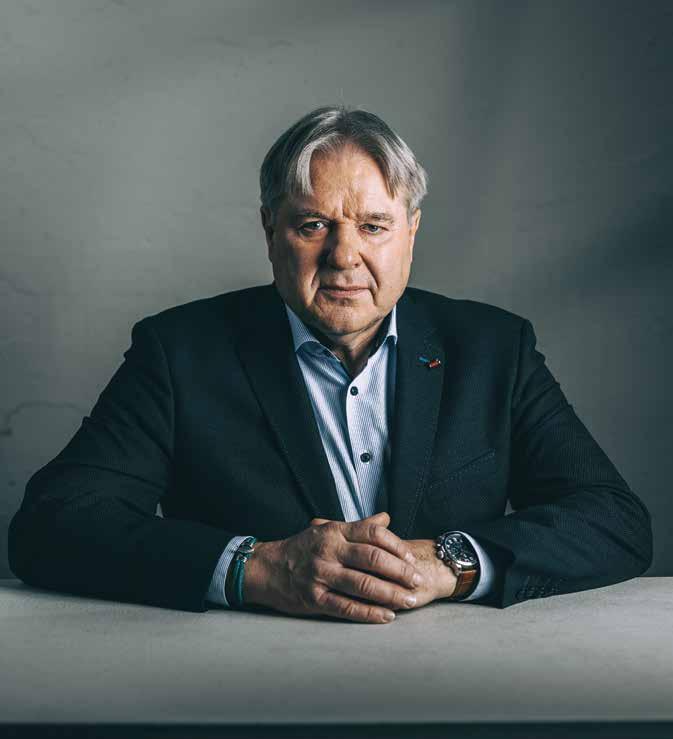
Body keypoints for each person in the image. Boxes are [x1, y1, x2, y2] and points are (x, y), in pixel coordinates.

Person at [8, 106, 653, 624]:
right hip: (234, 691)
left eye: (373, 226)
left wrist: (448, 562)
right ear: (270, 231)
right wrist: (257, 568)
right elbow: (50, 526)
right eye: (314, 225)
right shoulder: (178, 353)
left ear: (411, 232)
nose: (344, 256)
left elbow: (615, 521)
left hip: (457, 689)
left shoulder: (494, 349)